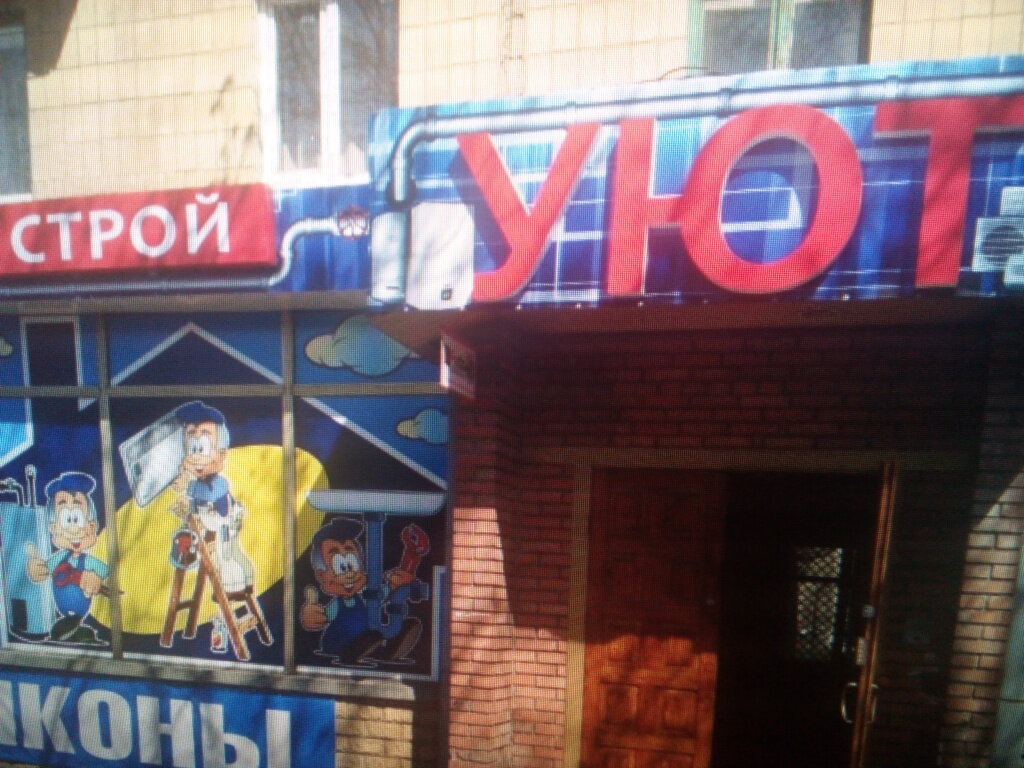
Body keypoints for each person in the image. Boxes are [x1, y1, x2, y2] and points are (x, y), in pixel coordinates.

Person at [171, 401, 255, 649]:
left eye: (203, 448)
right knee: (201, 548)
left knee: (227, 563)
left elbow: (210, 497)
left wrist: (187, 485)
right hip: (208, 536)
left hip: (224, 535)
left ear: (221, 454)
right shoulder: (197, 484)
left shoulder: (218, 482)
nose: (196, 455)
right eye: (192, 448)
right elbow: (195, 505)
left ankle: (236, 596)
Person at [26, 472, 109, 645]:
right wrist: (35, 569)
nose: (73, 529)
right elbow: (43, 571)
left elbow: (108, 574)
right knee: (60, 633)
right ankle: (68, 633)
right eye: (66, 520)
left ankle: (79, 633)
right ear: (54, 528)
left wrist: (96, 580)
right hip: (63, 618)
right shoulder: (58, 558)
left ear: (91, 526)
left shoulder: (88, 561)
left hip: (81, 614)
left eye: (77, 519)